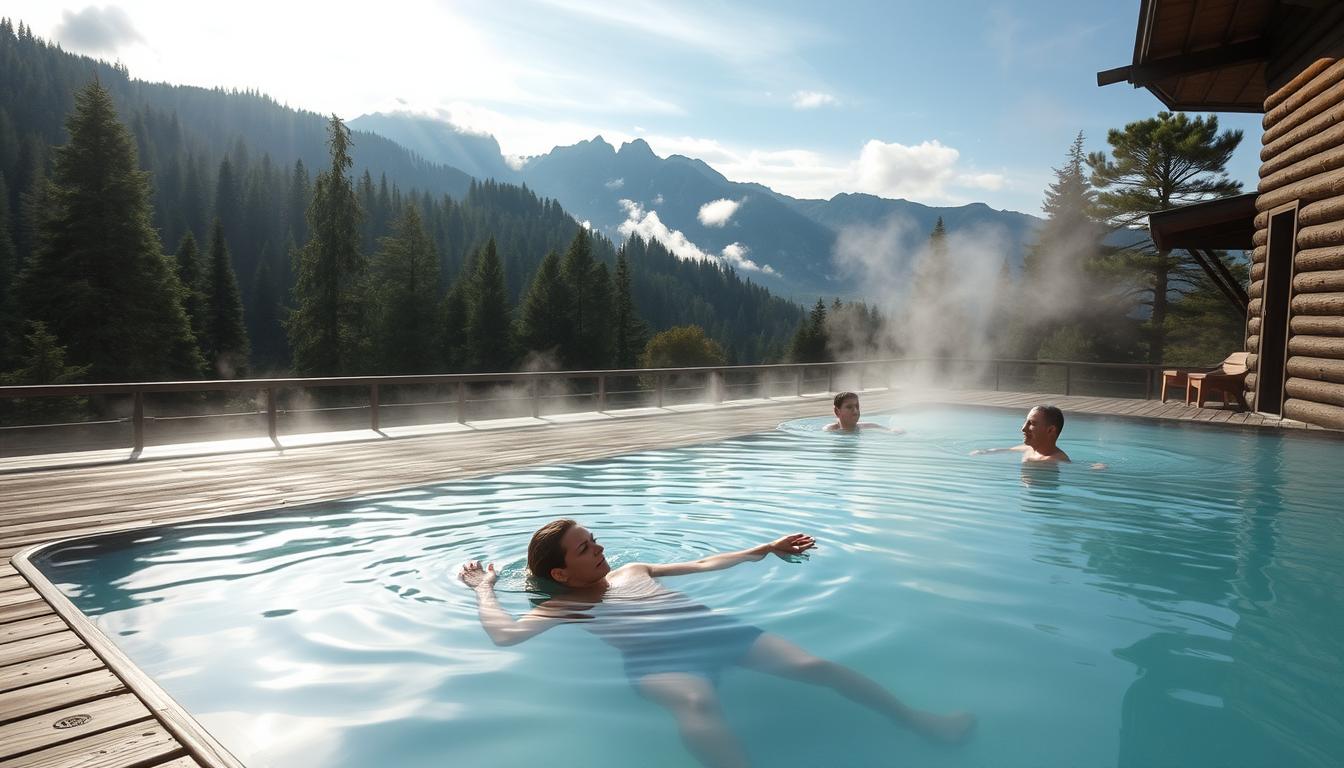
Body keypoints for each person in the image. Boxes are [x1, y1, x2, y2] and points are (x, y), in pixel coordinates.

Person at [460, 519, 974, 767]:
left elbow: (705, 563)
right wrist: (485, 588)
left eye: (594, 541)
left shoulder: (632, 570)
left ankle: (919, 721)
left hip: (718, 633)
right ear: (559, 572)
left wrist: (765, 549)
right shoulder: (567, 604)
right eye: (585, 549)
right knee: (695, 699)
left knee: (818, 665)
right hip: (657, 660)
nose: (600, 550)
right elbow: (506, 635)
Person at [970, 404, 1071, 463]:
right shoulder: (1029, 449)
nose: (1023, 429)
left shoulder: (1056, 461)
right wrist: (982, 452)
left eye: (1032, 423)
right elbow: (1005, 450)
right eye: (1026, 422)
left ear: (1050, 430)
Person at [823, 391, 901, 433]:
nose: (855, 410)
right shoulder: (830, 429)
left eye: (857, 406)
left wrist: (895, 430)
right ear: (837, 411)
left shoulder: (869, 426)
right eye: (849, 407)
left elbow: (890, 430)